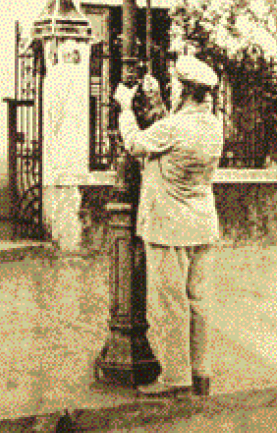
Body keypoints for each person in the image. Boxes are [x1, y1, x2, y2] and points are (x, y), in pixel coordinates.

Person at [114, 54, 223, 396]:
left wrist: (125, 108)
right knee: (198, 301)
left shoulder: (174, 129)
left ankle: (176, 378)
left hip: (169, 227)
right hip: (202, 223)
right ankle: (200, 374)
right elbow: (168, 135)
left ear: (188, 92)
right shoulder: (213, 125)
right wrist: (160, 103)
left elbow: (135, 143)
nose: (173, 90)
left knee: (171, 304)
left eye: (176, 86)